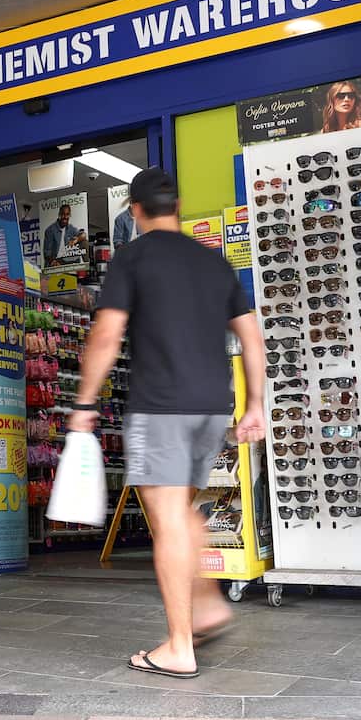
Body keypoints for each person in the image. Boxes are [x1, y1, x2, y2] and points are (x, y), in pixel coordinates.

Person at [68, 167, 265, 680]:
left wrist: (85, 402)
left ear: (135, 211)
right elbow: (252, 337)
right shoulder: (213, 261)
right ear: (177, 206)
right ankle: (208, 606)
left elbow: (106, 336)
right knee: (178, 513)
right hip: (211, 407)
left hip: (161, 406)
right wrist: (255, 406)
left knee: (169, 521)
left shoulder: (132, 259)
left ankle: (180, 646)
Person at [43, 202, 86, 266]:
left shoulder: (71, 228)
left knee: (84, 242)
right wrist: (53, 261)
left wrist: (76, 240)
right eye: (63, 214)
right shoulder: (50, 230)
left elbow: (83, 235)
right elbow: (47, 252)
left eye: (67, 214)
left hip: (68, 260)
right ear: (59, 215)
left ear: (70, 215)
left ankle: (86, 266)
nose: (65, 217)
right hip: (56, 260)